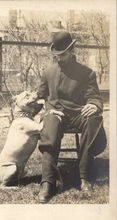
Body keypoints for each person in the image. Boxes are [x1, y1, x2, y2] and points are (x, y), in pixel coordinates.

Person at [37, 31, 107, 203]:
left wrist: (93, 104)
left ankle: (84, 177)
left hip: (77, 113)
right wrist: (47, 109)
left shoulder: (86, 73)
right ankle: (47, 182)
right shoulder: (48, 72)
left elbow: (94, 96)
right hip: (56, 113)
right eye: (56, 55)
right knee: (50, 125)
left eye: (63, 54)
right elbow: (39, 97)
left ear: (72, 50)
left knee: (93, 119)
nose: (59, 58)